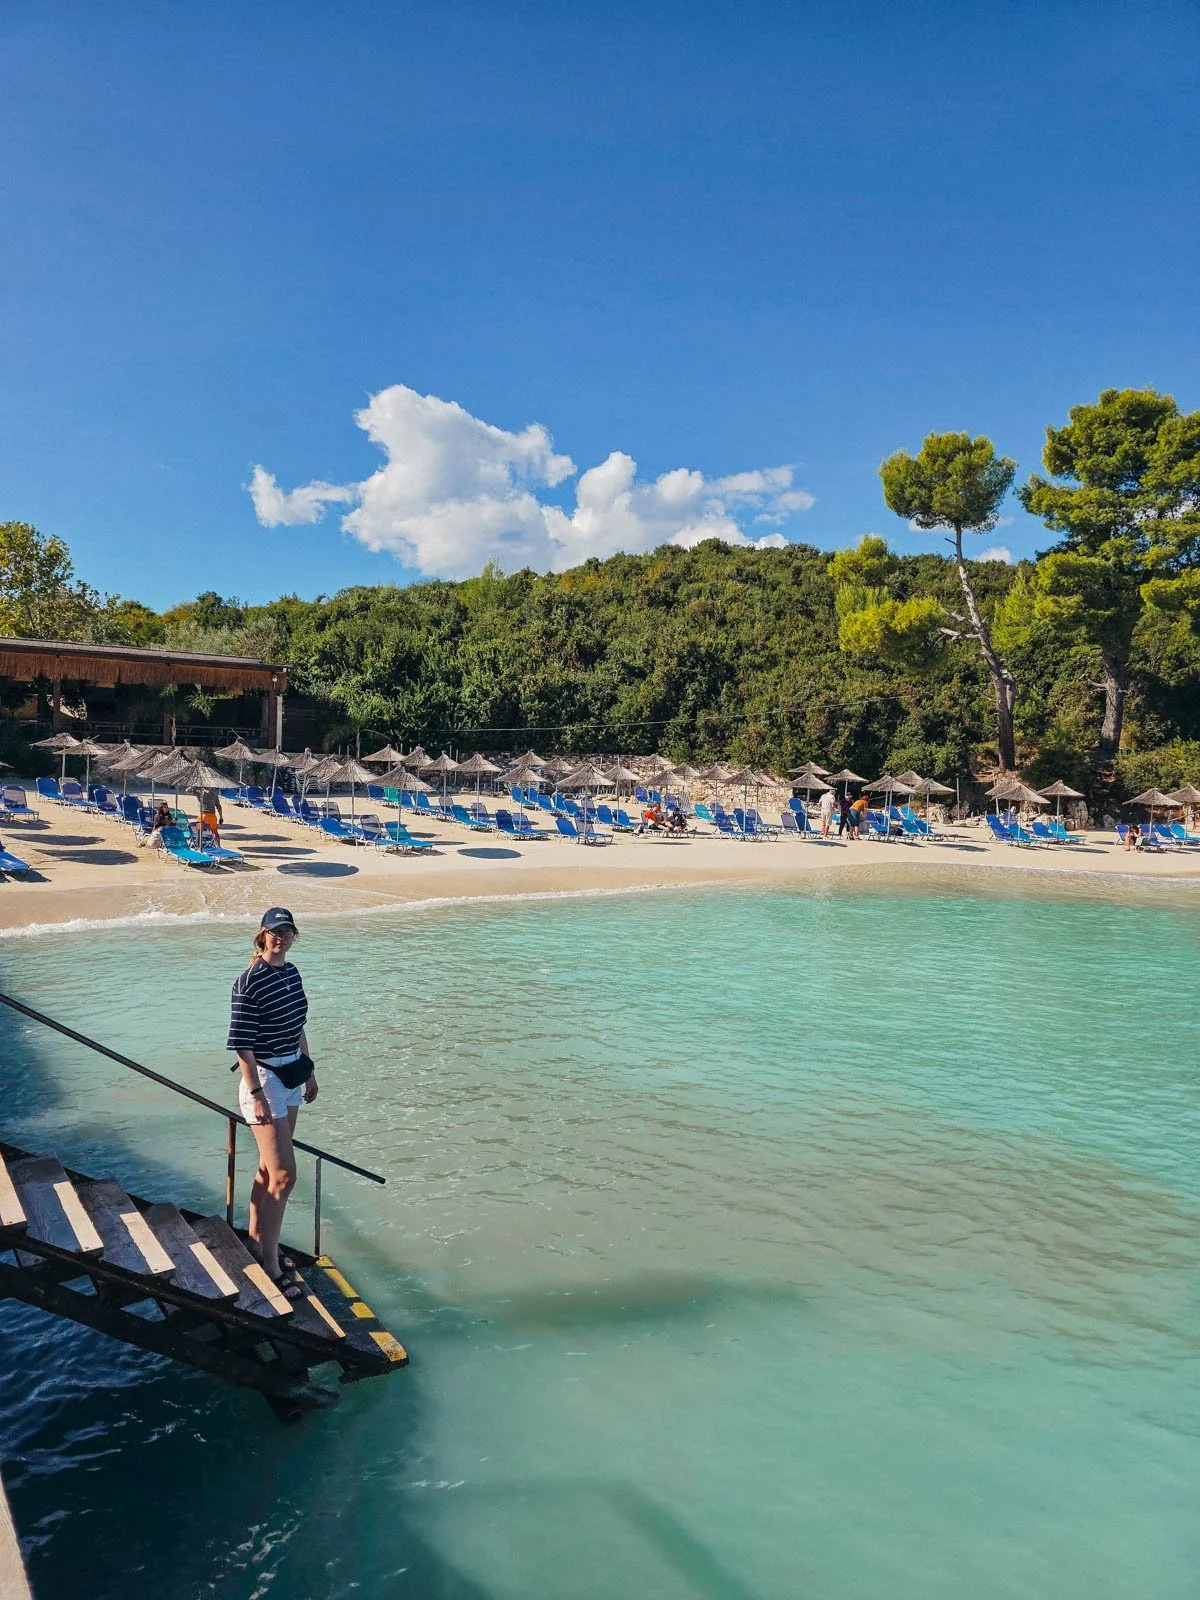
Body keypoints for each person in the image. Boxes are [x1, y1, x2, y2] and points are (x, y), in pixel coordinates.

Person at [227, 907, 318, 1299]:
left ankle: (255, 1239)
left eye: (287, 931)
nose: (280, 937)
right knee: (284, 1175)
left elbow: (298, 1026)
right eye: (274, 931)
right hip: (263, 1079)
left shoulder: (291, 973)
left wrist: (310, 1071)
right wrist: (256, 1094)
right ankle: (270, 1262)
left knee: (269, 1168)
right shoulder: (249, 981)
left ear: (294, 936)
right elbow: (241, 1044)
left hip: (292, 1072)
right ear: (262, 935)